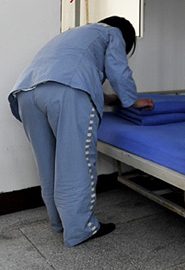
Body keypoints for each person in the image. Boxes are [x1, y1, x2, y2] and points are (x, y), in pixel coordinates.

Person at [8, 16, 153, 247]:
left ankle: (58, 223)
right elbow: (118, 71)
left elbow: (64, 73)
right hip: (66, 93)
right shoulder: (112, 33)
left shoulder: (73, 34)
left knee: (48, 162)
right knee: (76, 162)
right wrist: (131, 101)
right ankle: (80, 230)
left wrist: (107, 98)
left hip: (27, 93)